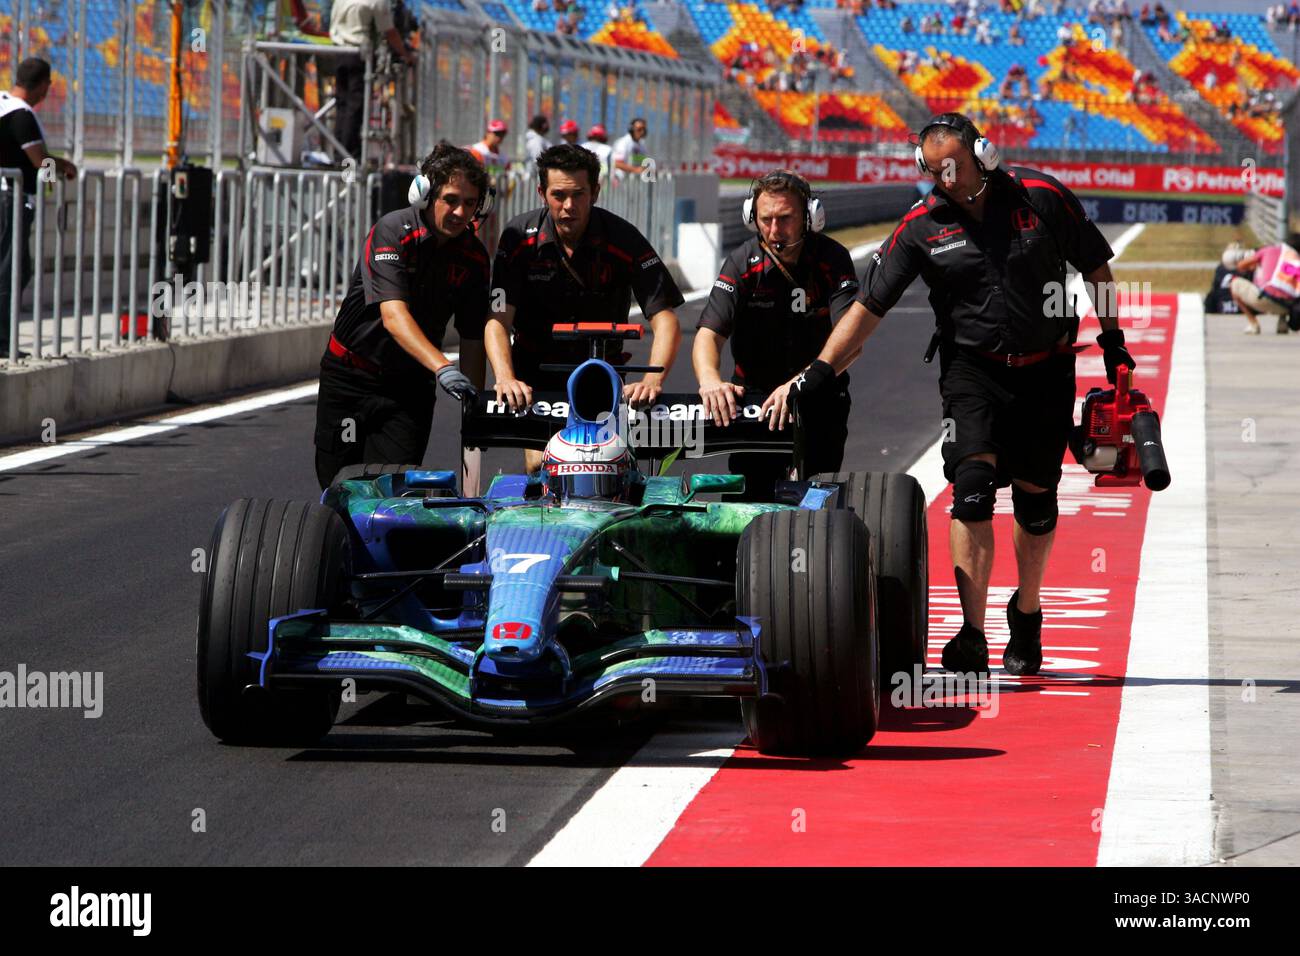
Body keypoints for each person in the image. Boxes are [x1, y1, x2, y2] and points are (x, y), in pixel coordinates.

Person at [761, 112, 1133, 678]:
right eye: (937, 170)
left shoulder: (1042, 197)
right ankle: (973, 633)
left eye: (957, 165)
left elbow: (1097, 268)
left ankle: (1027, 613)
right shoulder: (919, 226)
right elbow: (867, 311)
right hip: (971, 371)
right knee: (972, 488)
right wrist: (816, 374)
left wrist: (1114, 343)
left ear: (984, 152)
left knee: (1036, 500)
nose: (949, 179)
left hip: (1046, 369)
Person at [485, 143, 684, 471]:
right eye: (558, 195)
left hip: (602, 373)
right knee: (543, 467)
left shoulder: (623, 237)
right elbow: (497, 320)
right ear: (541, 192)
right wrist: (505, 378)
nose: (568, 206)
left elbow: (666, 318)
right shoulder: (517, 238)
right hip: (536, 373)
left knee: (607, 463)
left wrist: (653, 381)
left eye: (578, 195)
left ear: (595, 192)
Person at [313, 143, 490, 490]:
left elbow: (472, 337)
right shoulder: (392, 231)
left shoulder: (474, 259)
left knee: (392, 487)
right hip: (350, 377)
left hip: (409, 389)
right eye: (451, 199)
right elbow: (394, 316)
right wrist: (442, 367)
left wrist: (475, 408)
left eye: (470, 203)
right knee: (337, 486)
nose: (460, 212)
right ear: (425, 194)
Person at [694, 170, 861, 500]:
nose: (773, 230)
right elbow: (708, 334)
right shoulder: (742, 262)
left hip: (818, 393)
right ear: (751, 218)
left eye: (785, 219)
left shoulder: (832, 259)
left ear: (809, 218)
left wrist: (801, 383)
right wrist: (710, 380)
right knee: (750, 500)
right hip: (755, 398)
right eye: (765, 219)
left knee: (818, 499)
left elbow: (851, 339)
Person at [1, 57, 76, 361]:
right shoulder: (21, 114)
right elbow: (38, 159)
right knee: (11, 269)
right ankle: (2, 341)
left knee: (18, 267)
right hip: (10, 200)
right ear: (43, 85)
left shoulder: (2, 103)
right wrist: (65, 167)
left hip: (10, 196)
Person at [329, 0, 415, 159]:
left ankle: (338, 155)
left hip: (339, 52)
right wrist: (406, 54)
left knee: (342, 105)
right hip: (359, 55)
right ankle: (349, 158)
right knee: (355, 108)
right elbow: (389, 32)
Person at [1228, 243, 1299, 335]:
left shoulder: (1266, 250)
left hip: (1264, 300)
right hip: (1290, 306)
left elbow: (1241, 266)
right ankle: (1282, 323)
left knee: (1235, 283)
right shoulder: (1293, 257)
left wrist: (1256, 265)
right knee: (1284, 284)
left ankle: (1253, 324)